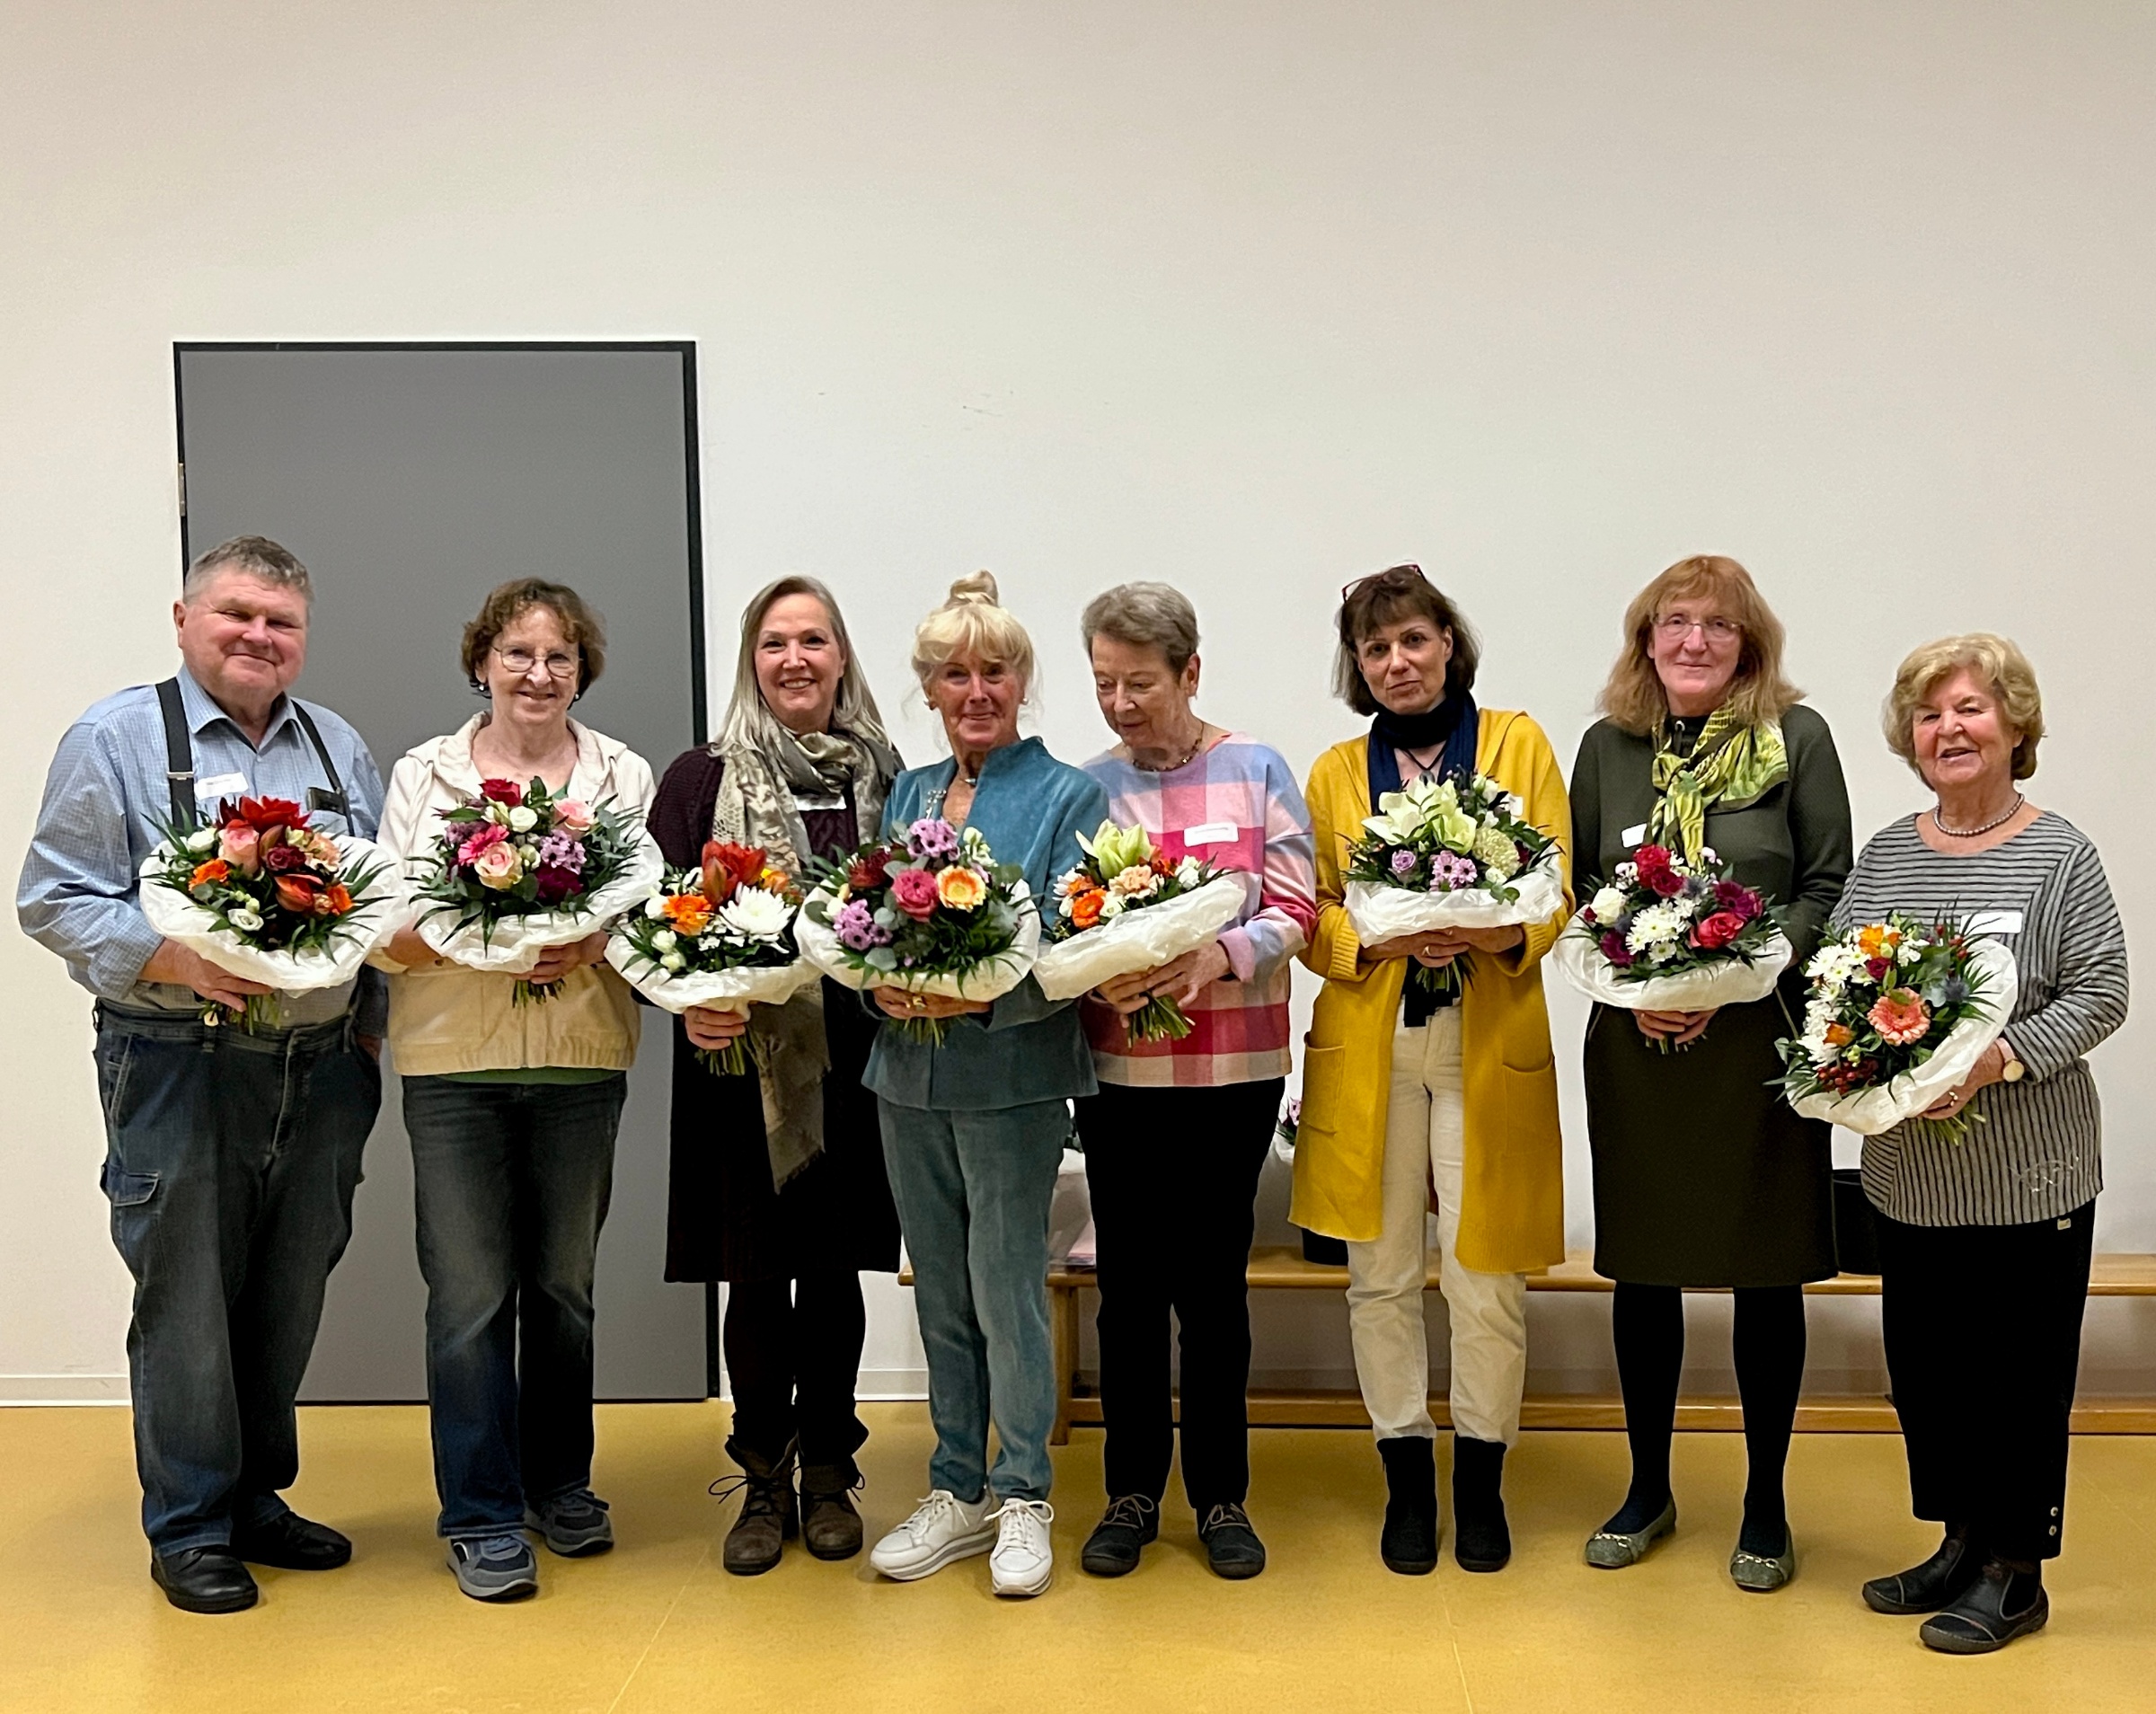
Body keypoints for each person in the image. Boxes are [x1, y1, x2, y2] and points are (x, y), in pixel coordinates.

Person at [18, 535, 386, 1614]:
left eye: (281, 623)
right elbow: (55, 896)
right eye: (237, 615)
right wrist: (172, 954)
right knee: (185, 1299)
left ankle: (253, 1502)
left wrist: (366, 1031)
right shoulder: (117, 738)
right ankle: (187, 1526)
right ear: (184, 621)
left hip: (318, 1069)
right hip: (178, 1058)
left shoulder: (338, 749)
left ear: (303, 642)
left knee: (286, 1294)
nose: (259, 638)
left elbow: (376, 904)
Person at [1569, 554, 1851, 1593]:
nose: (1694, 641)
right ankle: (1649, 1486)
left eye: (1718, 627)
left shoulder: (1798, 741)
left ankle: (1766, 1502)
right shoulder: (1608, 747)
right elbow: (1585, 893)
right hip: (1641, 1047)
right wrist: (1645, 988)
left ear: (1751, 646)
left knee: (1764, 1277)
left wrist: (1738, 974)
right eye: (1674, 623)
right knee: (1645, 1272)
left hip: (1757, 1049)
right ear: (1646, 638)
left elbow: (1831, 884)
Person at [1838, 634, 2126, 1654]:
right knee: (1929, 1374)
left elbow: (2103, 995)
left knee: (2017, 1379)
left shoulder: (2060, 854)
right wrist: (1861, 1063)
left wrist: (1997, 1060)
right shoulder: (1887, 853)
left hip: (2028, 1175)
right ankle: (1961, 1543)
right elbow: (1846, 987)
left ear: (2013, 726)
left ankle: (2018, 1571)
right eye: (1929, 715)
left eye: (1968, 709)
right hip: (1910, 1177)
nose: (1948, 730)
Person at [373, 579, 657, 1603]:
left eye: (561, 658)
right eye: (519, 654)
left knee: (564, 1291)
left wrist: (591, 938)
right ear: (481, 661)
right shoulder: (427, 774)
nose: (540, 675)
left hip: (582, 1059)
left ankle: (561, 1486)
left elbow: (648, 919)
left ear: (582, 670)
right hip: (453, 1066)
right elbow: (390, 925)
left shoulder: (619, 772)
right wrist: (485, 940)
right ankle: (483, 1513)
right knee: (468, 1299)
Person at [1292, 564, 1572, 1577]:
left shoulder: (1515, 743)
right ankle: (1405, 1473)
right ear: (1358, 668)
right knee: (1378, 1271)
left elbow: (1555, 890)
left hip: (1485, 1038)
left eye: (1413, 640)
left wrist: (1486, 931)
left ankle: (1483, 1481)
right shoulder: (1331, 771)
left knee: (1484, 1268)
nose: (1397, 662)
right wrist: (1376, 937)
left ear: (1449, 641)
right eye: (1376, 649)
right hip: (1372, 1039)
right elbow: (1310, 907)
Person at [647, 576, 904, 1574]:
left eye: (814, 639)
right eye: (774, 642)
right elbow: (652, 924)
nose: (794, 658)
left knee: (834, 1274)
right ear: (751, 661)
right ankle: (761, 1477)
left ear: (842, 656)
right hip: (737, 1066)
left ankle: (831, 1472)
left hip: (855, 1064)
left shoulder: (892, 778)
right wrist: (685, 1001)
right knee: (753, 1280)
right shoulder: (699, 780)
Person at [862, 572, 1109, 1599]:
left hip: (1011, 1078)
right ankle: (956, 1486)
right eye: (954, 673)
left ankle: (1022, 1495)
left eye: (994, 670)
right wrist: (886, 991)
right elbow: (871, 920)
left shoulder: (1067, 794)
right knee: (942, 1294)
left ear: (1021, 681)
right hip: (906, 1083)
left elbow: (1067, 942)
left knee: (1009, 1293)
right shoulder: (909, 792)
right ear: (927, 687)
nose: (976, 689)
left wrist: (974, 1002)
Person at [1068, 582, 1315, 1582]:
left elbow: (1299, 904)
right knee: (1127, 1292)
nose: (1122, 704)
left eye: (1141, 683)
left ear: (1191, 672)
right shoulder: (1085, 787)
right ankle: (1131, 1491)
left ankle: (1221, 1498)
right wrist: (1101, 968)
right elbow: (1059, 919)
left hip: (1233, 1069)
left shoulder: (1255, 769)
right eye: (1103, 684)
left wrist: (1220, 956)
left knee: (1213, 1290)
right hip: (1118, 1072)